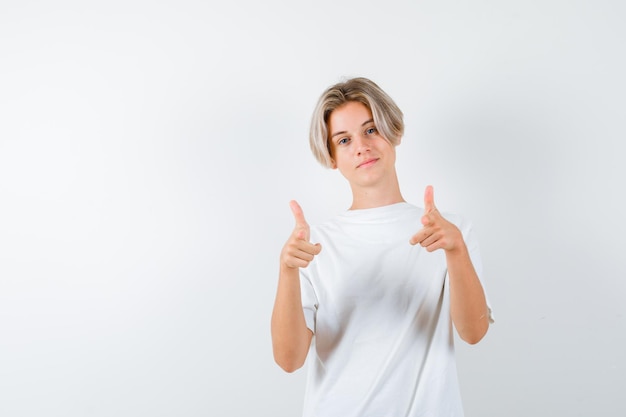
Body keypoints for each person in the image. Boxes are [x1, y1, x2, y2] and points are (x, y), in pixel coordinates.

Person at [271, 77, 494, 417]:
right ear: (332, 156)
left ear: (393, 132)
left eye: (371, 130)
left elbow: (474, 333)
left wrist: (457, 251)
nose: (361, 146)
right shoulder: (312, 245)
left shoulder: (450, 232)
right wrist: (287, 271)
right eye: (344, 140)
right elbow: (289, 360)